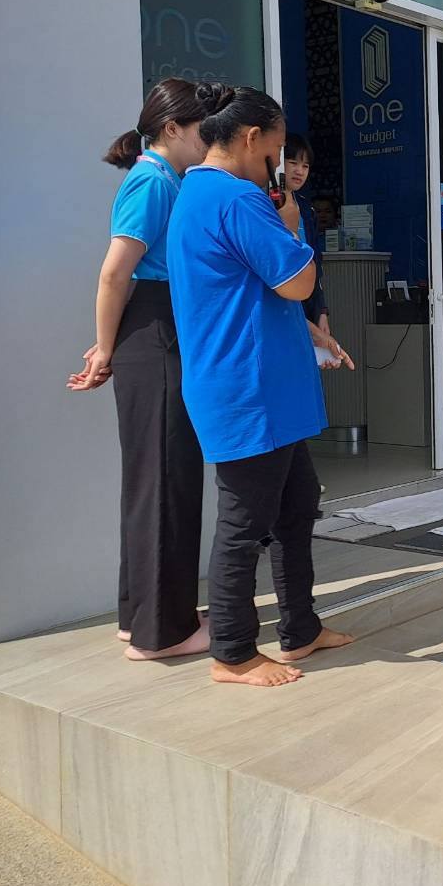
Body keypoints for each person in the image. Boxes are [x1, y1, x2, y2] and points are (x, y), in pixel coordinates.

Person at [166, 83, 354, 688]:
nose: (277, 166)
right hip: (250, 388)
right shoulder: (237, 198)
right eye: (274, 152)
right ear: (250, 139)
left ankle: (300, 628)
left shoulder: (196, 192)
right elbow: (296, 281)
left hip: (258, 384)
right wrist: (293, 228)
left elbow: (247, 290)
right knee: (244, 526)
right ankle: (233, 652)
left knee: (295, 510)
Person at [68, 78, 213, 662]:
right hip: (155, 332)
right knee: (166, 479)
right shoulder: (152, 181)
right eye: (202, 130)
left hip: (154, 329)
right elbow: (115, 272)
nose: (208, 140)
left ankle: (143, 616)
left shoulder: (166, 179)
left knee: (156, 478)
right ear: (172, 128)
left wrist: (110, 343)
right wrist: (105, 348)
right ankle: (163, 633)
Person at [284, 132, 330, 336]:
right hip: (282, 301)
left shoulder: (307, 209)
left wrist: (322, 311)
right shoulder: (264, 204)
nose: (299, 171)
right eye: (293, 162)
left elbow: (316, 263)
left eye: (305, 166)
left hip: (307, 301)